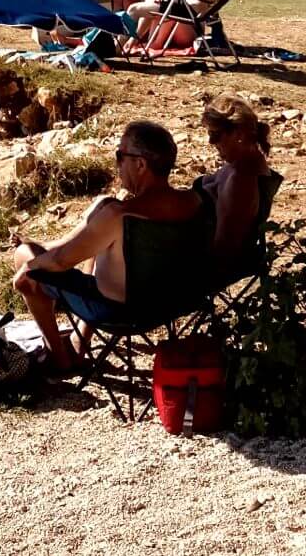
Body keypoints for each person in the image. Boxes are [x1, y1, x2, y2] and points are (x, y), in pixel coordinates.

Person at [11, 120, 202, 374]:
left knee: (25, 257)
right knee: (101, 211)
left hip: (119, 311)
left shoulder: (120, 216)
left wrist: (29, 266)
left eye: (120, 155)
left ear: (140, 164)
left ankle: (59, 358)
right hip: (169, 302)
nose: (117, 164)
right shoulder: (193, 202)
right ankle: (79, 340)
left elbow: (60, 262)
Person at [196, 96, 272, 279]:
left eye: (215, 135)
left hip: (207, 265)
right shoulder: (248, 162)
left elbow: (225, 247)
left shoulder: (240, 178)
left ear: (238, 134)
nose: (210, 142)